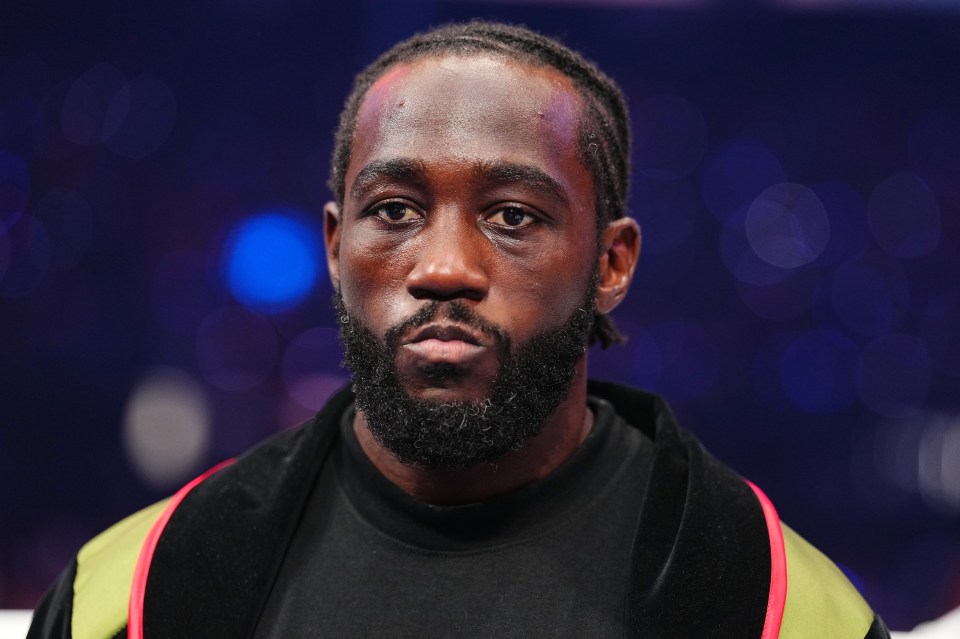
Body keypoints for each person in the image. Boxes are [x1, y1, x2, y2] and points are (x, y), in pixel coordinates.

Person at [29, 21, 890, 638]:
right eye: (394, 210)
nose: (443, 266)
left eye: (513, 215)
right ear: (334, 247)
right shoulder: (133, 592)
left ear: (611, 263)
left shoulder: (788, 606)